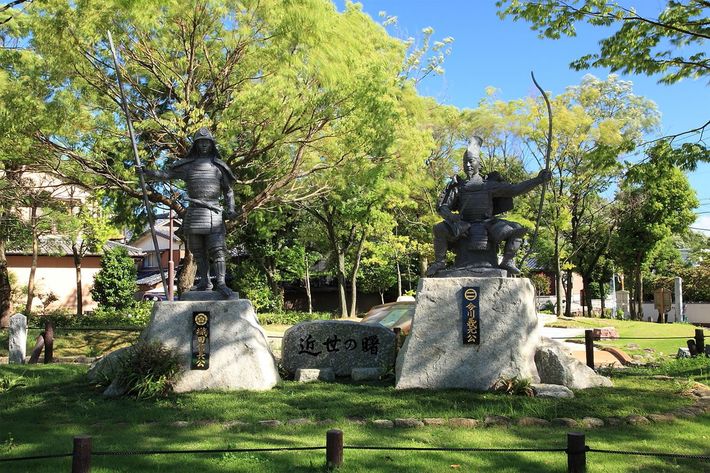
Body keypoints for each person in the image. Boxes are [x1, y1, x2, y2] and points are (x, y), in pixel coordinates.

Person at [426, 136, 551, 276]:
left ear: (479, 163)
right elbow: (443, 206)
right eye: (465, 162)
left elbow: (514, 189)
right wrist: (450, 216)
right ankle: (439, 262)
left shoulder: (489, 185)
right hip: (463, 225)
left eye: (471, 161)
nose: (468, 165)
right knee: (439, 228)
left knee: (517, 229)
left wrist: (538, 180)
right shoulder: (458, 187)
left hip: (488, 223)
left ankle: (508, 260)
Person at [146, 128, 238, 299]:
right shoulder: (188, 166)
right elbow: (166, 175)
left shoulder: (219, 166)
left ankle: (221, 283)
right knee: (198, 251)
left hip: (214, 213)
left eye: (206, 142)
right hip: (194, 213)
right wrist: (147, 173)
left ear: (212, 144)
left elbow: (228, 191)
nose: (203, 145)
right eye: (200, 142)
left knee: (217, 250)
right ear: (195, 145)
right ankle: (205, 281)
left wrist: (231, 208)